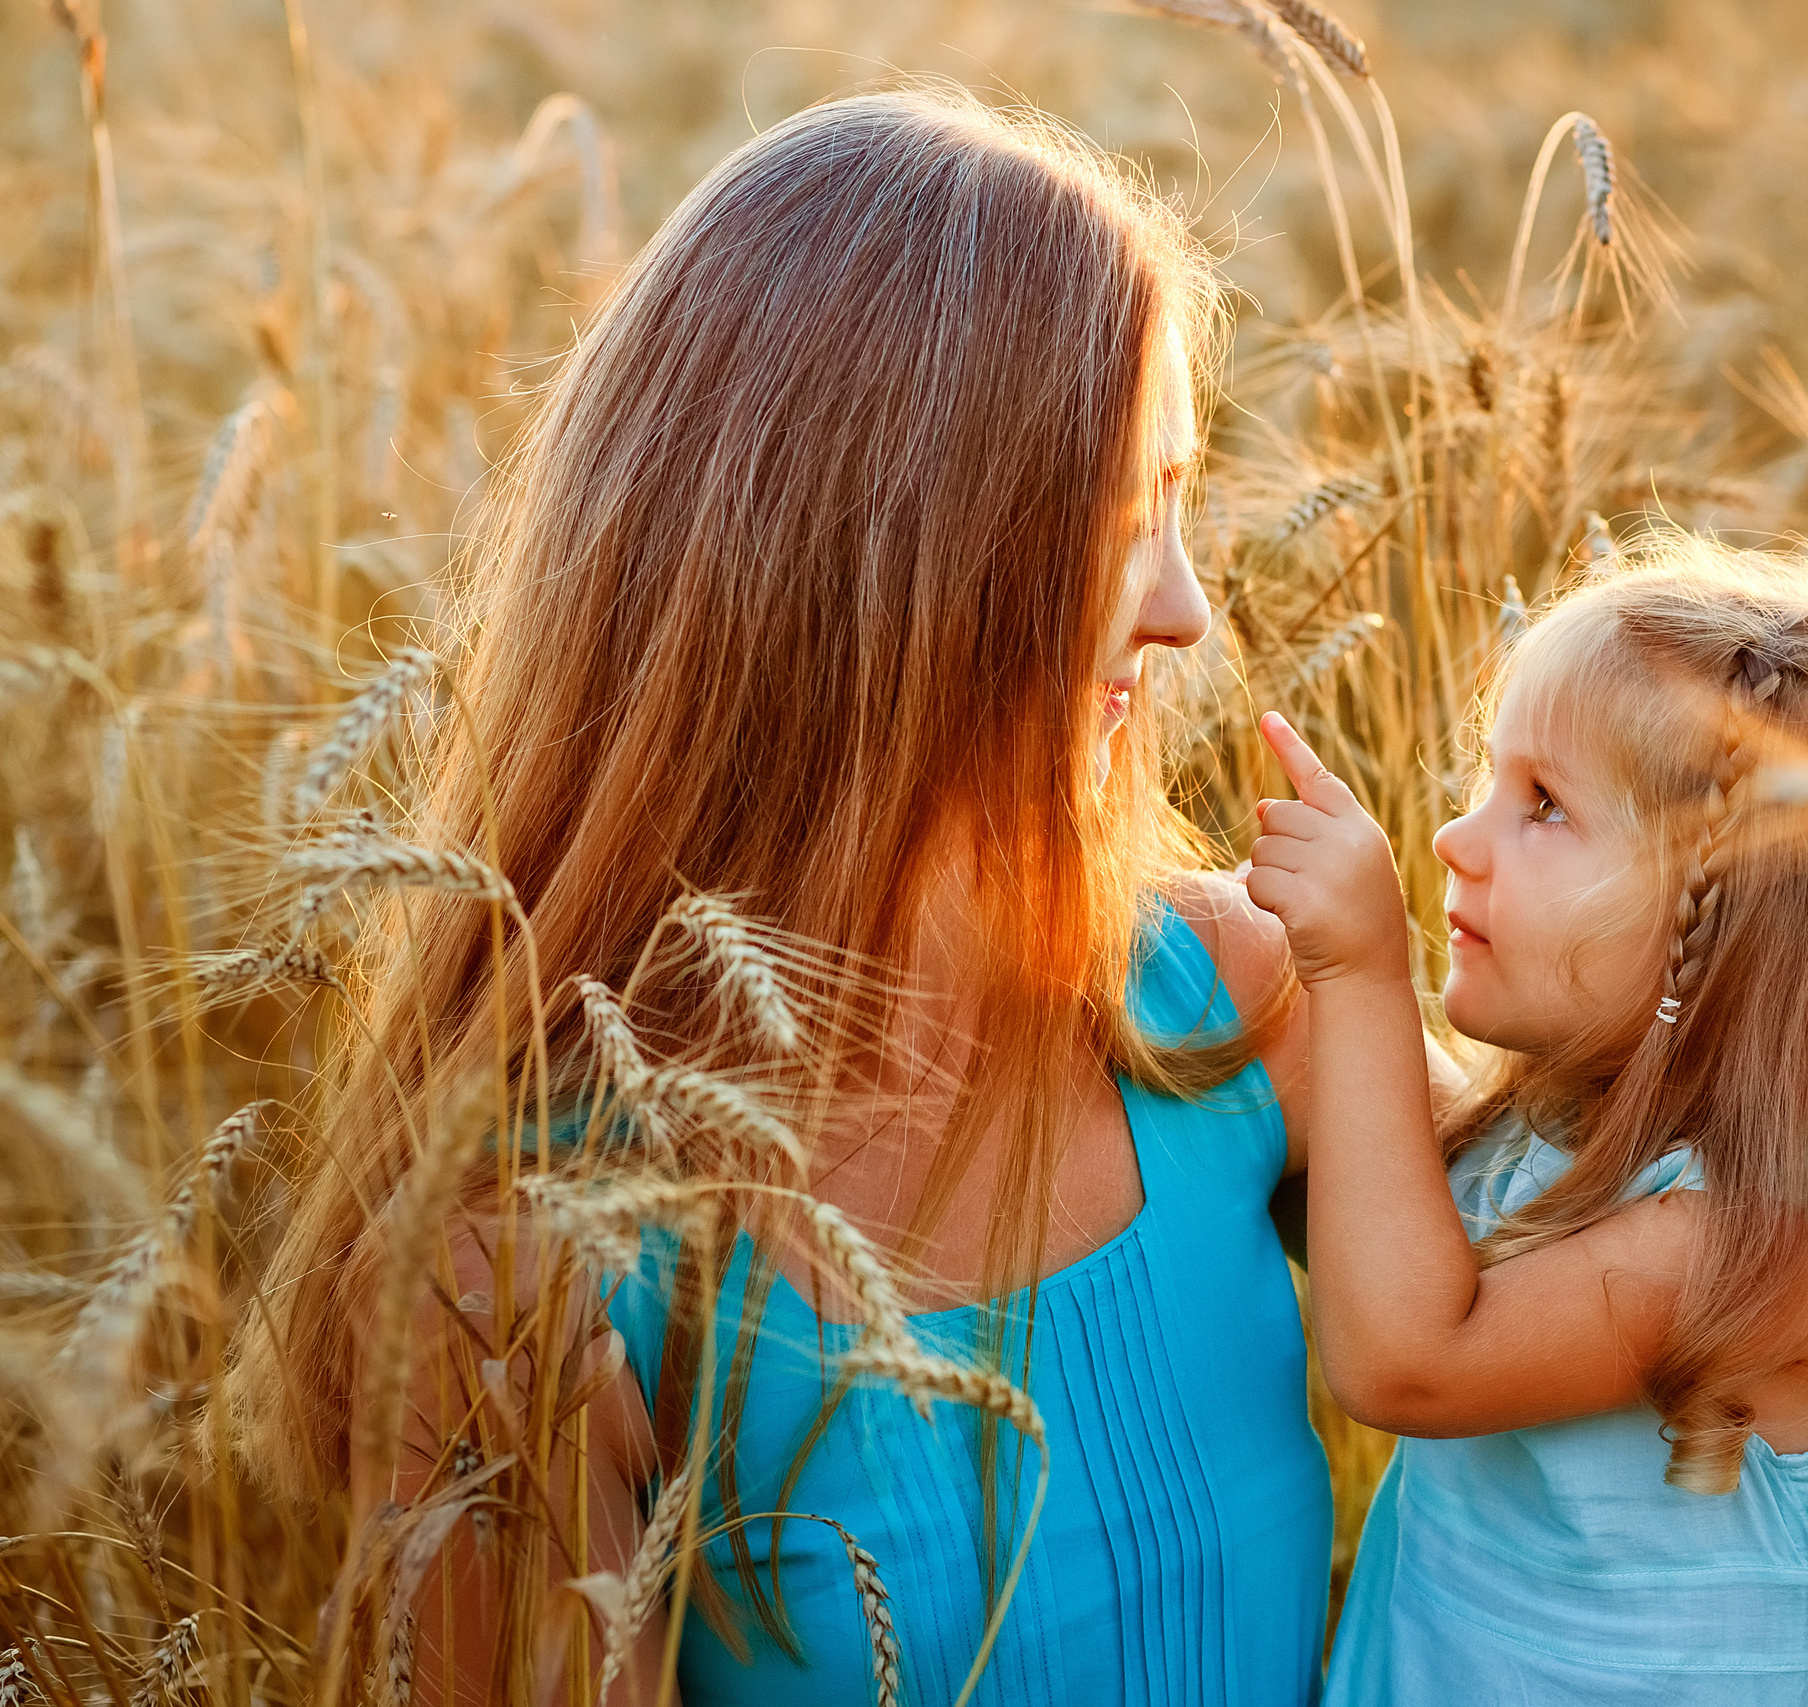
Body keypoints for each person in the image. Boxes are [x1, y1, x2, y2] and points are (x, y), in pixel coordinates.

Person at [234, 89, 1334, 1705]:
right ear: (887, 565)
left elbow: (1655, 1267)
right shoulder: (530, 1265)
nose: (1182, 605)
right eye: (1121, 523)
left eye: (1184, 505)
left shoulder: (1224, 1002)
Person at [1244, 537, 1808, 1703]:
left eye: (1545, 807)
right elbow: (1391, 1228)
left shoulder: (1788, 1245)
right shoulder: (1580, 1127)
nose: (1456, 843)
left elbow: (1406, 1359)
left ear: (1732, 929)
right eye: (1489, 784)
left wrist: (1358, 982)